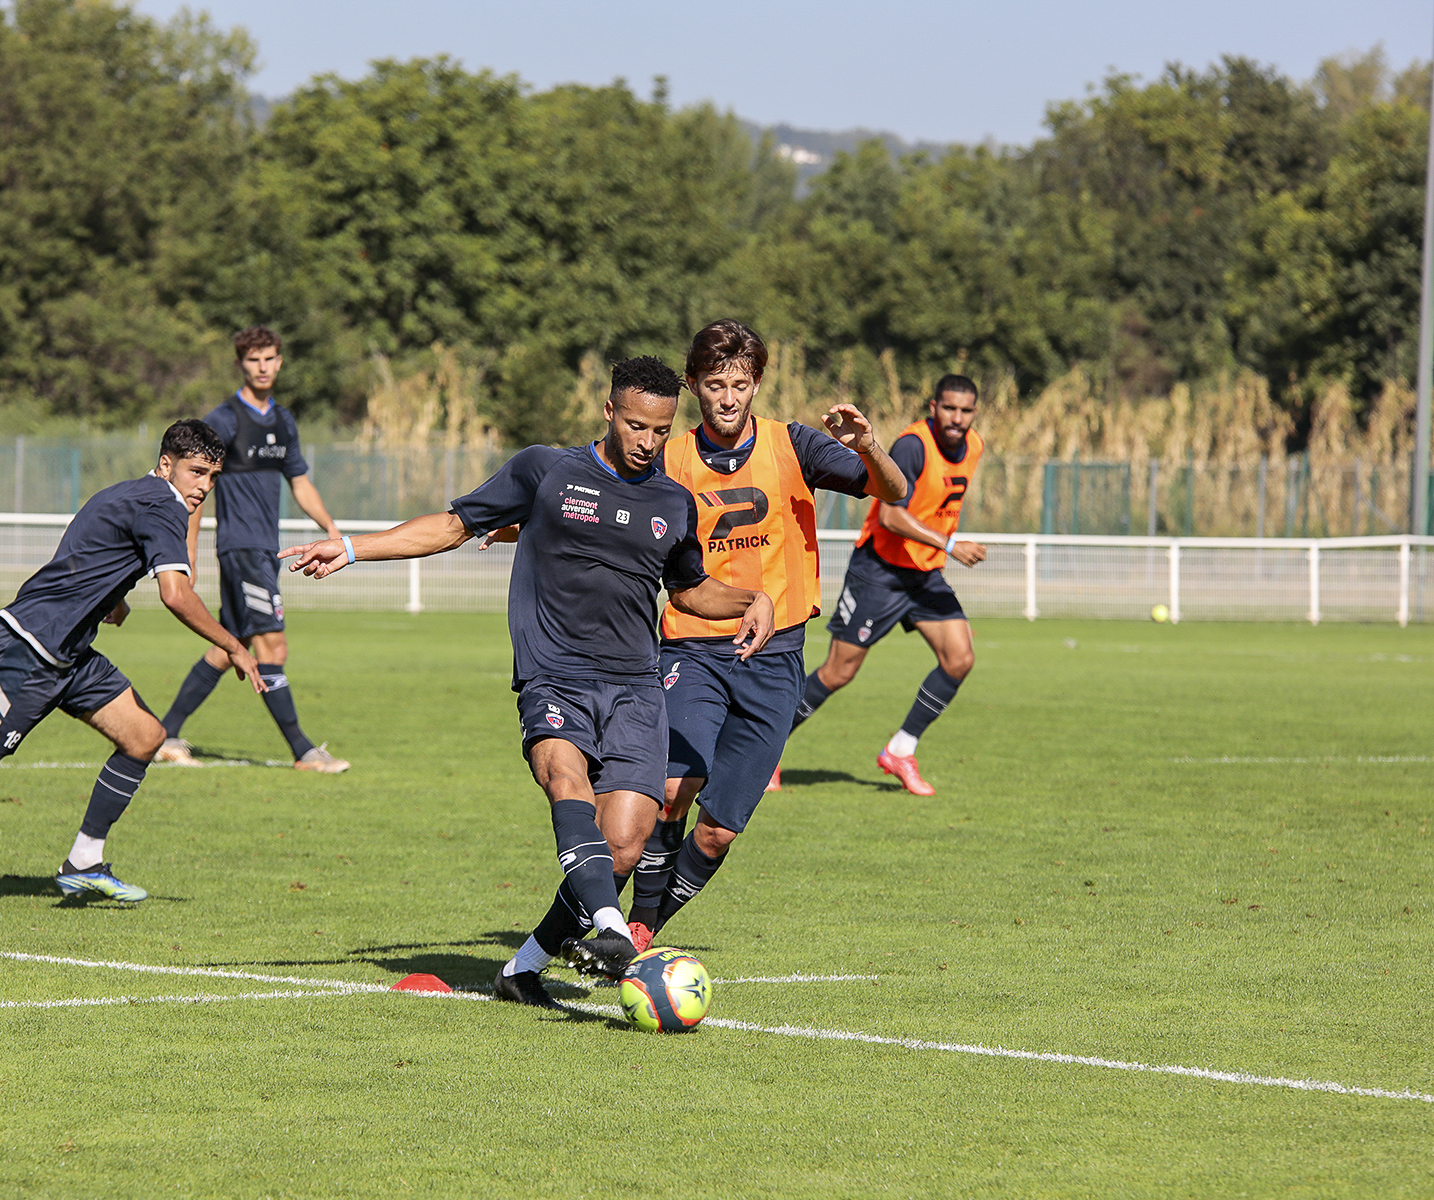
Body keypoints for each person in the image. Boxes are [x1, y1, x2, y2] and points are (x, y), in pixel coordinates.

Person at [281, 357, 775, 1008]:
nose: (647, 442)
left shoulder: (671, 501)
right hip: (554, 676)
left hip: (635, 686)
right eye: (634, 425)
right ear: (607, 411)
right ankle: (610, 931)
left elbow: (691, 589)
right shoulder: (546, 470)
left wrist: (750, 599)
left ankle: (522, 970)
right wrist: (350, 548)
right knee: (565, 783)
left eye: (659, 430)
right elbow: (454, 524)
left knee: (624, 845)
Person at [0, 420, 265, 901]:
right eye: (196, 472)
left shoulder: (125, 494)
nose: (204, 486)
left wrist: (110, 600)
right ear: (167, 465)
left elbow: (85, 550)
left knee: (145, 736)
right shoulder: (163, 503)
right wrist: (234, 645)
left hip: (70, 653)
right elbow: (176, 594)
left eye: (213, 477)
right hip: (32, 650)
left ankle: (84, 861)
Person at [624, 319, 910, 950]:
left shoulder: (794, 446)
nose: (729, 398)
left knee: (719, 831)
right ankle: (625, 924)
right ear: (695, 385)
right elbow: (588, 496)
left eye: (742, 384)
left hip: (776, 656)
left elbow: (894, 491)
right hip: (693, 644)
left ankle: (647, 926)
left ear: (757, 386)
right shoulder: (666, 457)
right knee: (672, 787)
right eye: (716, 384)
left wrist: (869, 445)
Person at [155, 326, 349, 773]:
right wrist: (188, 552)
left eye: (270, 359)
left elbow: (299, 482)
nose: (262, 368)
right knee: (272, 647)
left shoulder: (283, 421)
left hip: (266, 549)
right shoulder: (224, 420)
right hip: (241, 548)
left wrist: (331, 528)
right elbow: (195, 485)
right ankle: (303, 752)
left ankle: (165, 734)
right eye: (253, 360)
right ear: (241, 364)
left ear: (280, 362)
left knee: (228, 647)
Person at [791, 374, 988, 796]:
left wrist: (942, 548)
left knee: (960, 658)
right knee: (838, 672)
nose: (957, 417)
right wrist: (951, 544)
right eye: (949, 408)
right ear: (933, 406)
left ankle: (901, 749)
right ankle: (765, 751)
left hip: (923, 573)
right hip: (879, 572)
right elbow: (890, 517)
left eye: (966, 410)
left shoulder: (974, 447)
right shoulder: (912, 445)